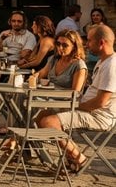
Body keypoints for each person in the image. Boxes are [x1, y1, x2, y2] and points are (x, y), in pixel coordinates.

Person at [37, 24, 116, 173]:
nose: (86, 44)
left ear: (101, 43)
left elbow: (100, 102)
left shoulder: (111, 66)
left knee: (48, 122)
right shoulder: (103, 61)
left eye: (90, 40)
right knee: (40, 115)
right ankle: (60, 157)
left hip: (99, 115)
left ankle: (79, 157)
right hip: (88, 109)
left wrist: (75, 106)